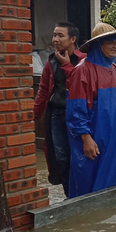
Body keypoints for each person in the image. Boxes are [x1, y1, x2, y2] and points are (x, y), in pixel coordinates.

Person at [66, 23, 116, 197]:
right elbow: (76, 109)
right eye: (110, 42)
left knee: (115, 182)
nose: (115, 46)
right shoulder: (82, 71)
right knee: (89, 183)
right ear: (98, 44)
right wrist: (85, 137)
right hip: (96, 138)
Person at [33, 21, 86, 198]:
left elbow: (83, 84)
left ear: (72, 39)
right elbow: (43, 91)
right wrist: (33, 115)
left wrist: (66, 65)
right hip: (56, 115)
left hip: (79, 115)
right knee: (61, 157)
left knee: (79, 156)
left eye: (60, 35)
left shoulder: (83, 60)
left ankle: (82, 193)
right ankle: (69, 195)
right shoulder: (51, 61)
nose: (55, 39)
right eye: (54, 35)